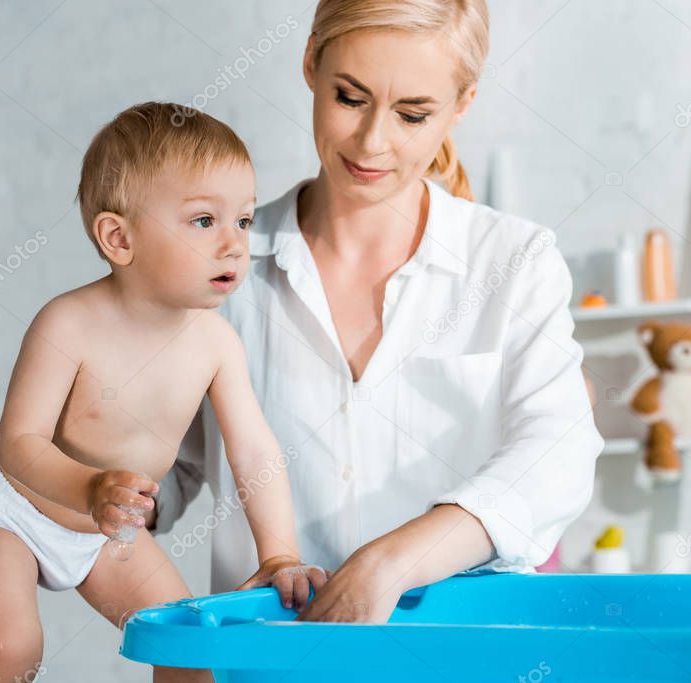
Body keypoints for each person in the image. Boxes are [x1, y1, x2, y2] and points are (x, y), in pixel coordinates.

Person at [148, 0, 605, 624]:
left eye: (413, 114)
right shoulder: (225, 269)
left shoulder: (513, 262)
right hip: (273, 663)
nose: (372, 142)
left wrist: (395, 560)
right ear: (311, 61)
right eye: (349, 98)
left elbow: (558, 451)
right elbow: (175, 464)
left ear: (462, 103)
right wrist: (86, 495)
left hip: (462, 661)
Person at [0, 102, 327, 683]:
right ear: (119, 237)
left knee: (189, 652)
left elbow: (254, 450)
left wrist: (277, 552)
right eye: (205, 221)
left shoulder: (217, 344)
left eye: (244, 221)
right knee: (10, 649)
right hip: (14, 509)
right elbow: (15, 443)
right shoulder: (67, 323)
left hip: (108, 529)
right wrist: (90, 486)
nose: (233, 244)